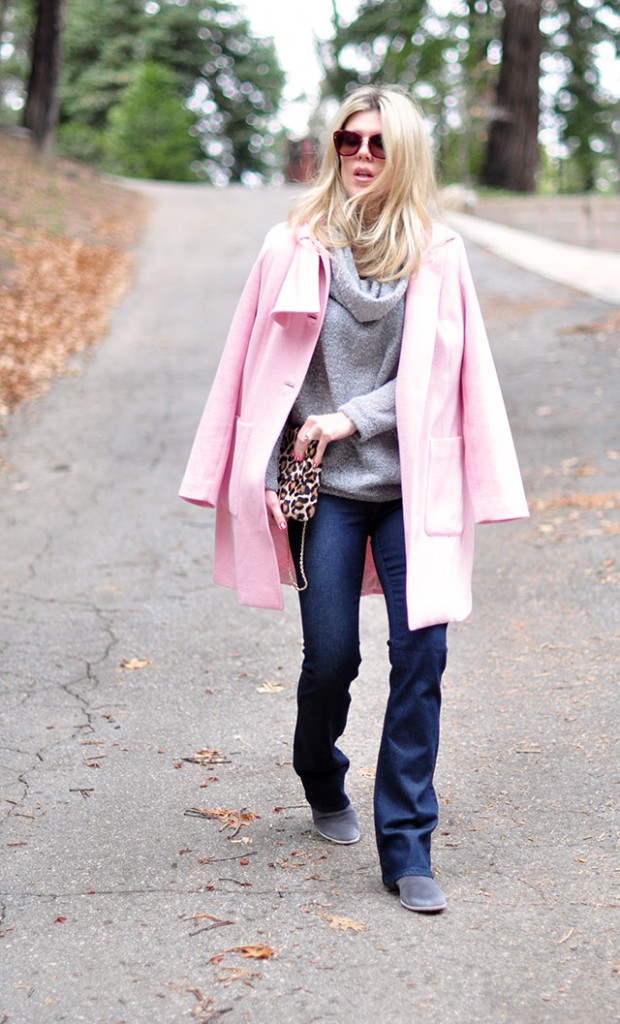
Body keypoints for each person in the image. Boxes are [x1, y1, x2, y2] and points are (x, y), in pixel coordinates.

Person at [179, 85, 529, 914]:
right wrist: (256, 473)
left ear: (402, 154)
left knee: (424, 659)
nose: (361, 155)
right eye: (348, 140)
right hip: (320, 485)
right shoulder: (292, 246)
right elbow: (251, 372)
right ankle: (318, 773)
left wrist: (352, 416)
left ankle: (407, 844)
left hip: (412, 482)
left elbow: (447, 378)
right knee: (331, 657)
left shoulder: (438, 253)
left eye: (378, 143)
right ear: (333, 147)